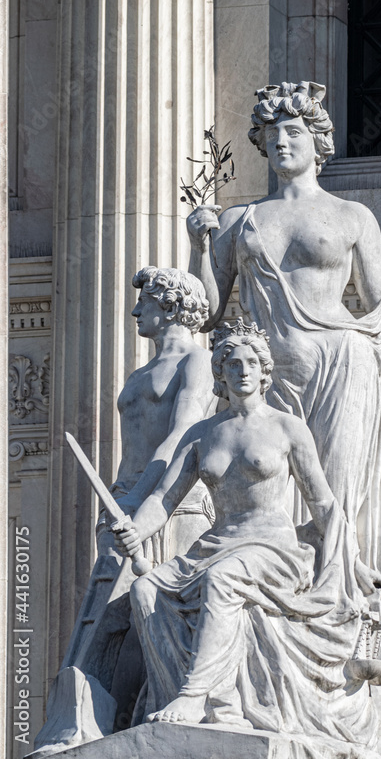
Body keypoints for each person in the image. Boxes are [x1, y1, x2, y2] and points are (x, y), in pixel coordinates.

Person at [186, 82, 381, 675]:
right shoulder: (238, 219)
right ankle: (271, 624)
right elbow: (208, 309)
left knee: (336, 499)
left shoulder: (352, 216)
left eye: (293, 133)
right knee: (268, 497)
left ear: (317, 143)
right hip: (264, 375)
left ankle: (341, 626)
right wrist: (198, 242)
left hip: (344, 365)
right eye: (271, 136)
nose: (281, 143)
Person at [114, 320, 381, 752]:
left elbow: (325, 504)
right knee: (146, 590)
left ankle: (194, 694)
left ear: (264, 371)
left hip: (272, 548)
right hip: (216, 543)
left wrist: (352, 561)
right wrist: (134, 529)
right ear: (219, 371)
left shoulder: (287, 428)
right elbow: (164, 500)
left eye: (251, 363)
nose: (242, 370)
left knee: (223, 578)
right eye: (232, 362)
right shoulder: (201, 434)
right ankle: (192, 701)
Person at [33, 268, 217, 755]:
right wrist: (121, 498)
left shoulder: (198, 361)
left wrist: (144, 501)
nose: (136, 311)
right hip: (124, 497)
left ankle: (164, 710)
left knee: (161, 608)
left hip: (172, 502)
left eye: (147, 302)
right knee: (113, 616)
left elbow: (183, 434)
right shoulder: (139, 373)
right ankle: (100, 721)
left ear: (172, 305)